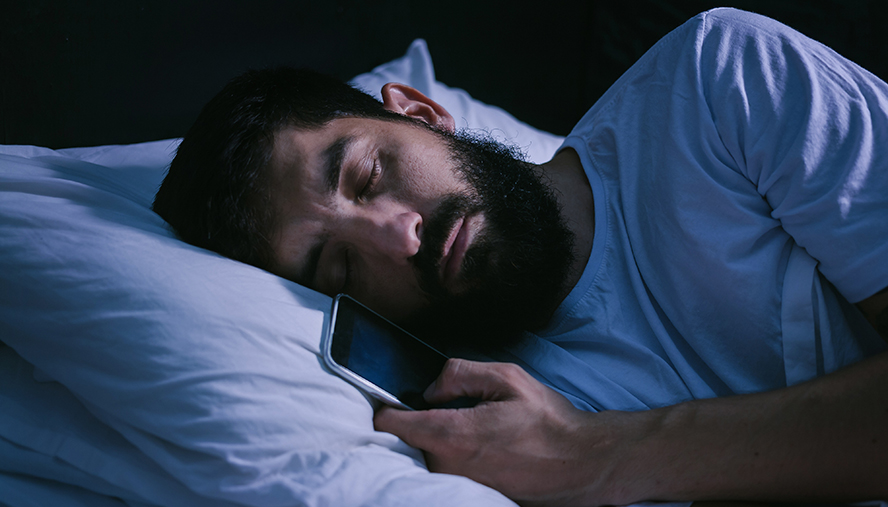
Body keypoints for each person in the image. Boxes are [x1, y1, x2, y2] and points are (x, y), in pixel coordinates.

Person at [154, 8, 888, 506]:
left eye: (369, 175)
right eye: (340, 268)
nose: (399, 235)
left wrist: (595, 454)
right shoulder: (492, 421)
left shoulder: (719, 83)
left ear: (420, 111)